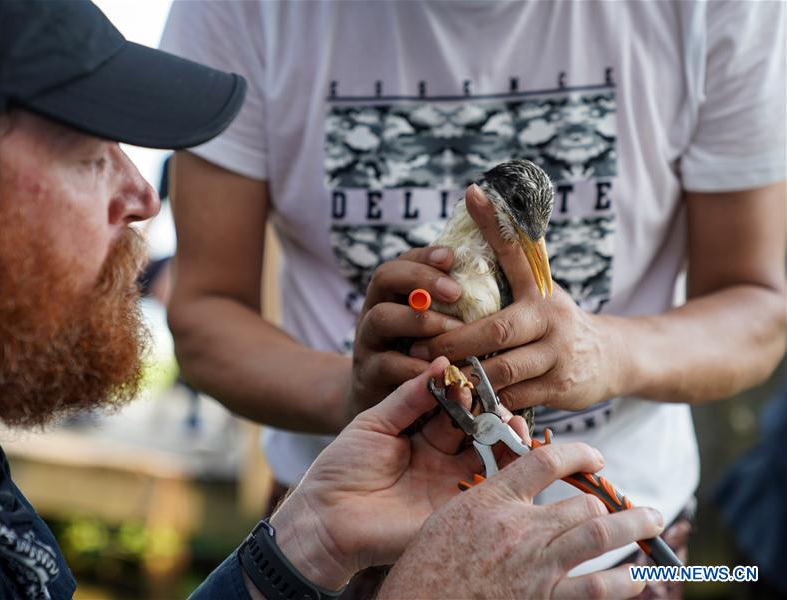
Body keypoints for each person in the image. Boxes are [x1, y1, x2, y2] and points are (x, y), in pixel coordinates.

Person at [0, 1, 663, 599]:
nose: (142, 198)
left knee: (726, 579)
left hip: (660, 563)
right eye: (91, 156)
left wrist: (297, 549)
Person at [160, 1, 786, 585]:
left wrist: (605, 353)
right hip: (342, 546)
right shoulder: (239, 11)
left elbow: (759, 306)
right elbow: (204, 312)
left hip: (621, 557)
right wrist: (356, 394)